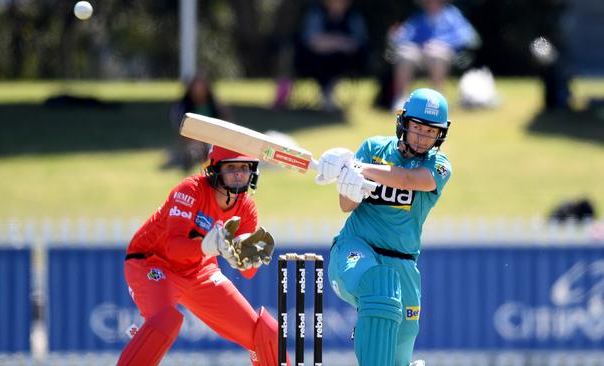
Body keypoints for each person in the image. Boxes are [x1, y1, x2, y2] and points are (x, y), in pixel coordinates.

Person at [315, 88, 452, 366]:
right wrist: (350, 182)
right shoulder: (374, 149)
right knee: (380, 288)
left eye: (431, 131)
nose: (423, 137)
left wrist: (360, 168)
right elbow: (346, 205)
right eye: (417, 128)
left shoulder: (439, 165)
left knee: (398, 358)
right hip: (356, 248)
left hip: (403, 263)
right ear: (403, 123)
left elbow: (408, 180)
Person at [118, 145, 286, 366]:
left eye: (244, 168)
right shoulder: (190, 190)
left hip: (200, 270)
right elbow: (174, 248)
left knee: (265, 334)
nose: (238, 174)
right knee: (165, 323)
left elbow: (248, 273)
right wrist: (207, 248)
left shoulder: (246, 207)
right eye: (231, 168)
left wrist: (244, 258)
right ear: (215, 169)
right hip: (152, 262)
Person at [389, 0, 478, 109]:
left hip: (446, 56)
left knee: (435, 54)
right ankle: (402, 99)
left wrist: (441, 43)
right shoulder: (418, 18)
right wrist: (397, 35)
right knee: (405, 54)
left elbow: (468, 37)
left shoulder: (453, 16)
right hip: (420, 56)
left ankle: (437, 100)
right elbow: (405, 37)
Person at [284, 0, 368, 112]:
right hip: (313, 61)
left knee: (339, 58)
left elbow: (357, 43)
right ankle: (327, 96)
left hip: (343, 62)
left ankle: (328, 96)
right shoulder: (316, 13)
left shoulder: (353, 17)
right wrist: (339, 41)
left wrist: (331, 41)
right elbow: (312, 41)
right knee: (326, 58)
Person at [165, 72, 230, 171]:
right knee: (193, 149)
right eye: (196, 86)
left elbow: (223, 127)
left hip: (212, 140)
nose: (198, 90)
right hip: (191, 140)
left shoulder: (215, 107)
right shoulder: (183, 107)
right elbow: (180, 128)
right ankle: (190, 158)